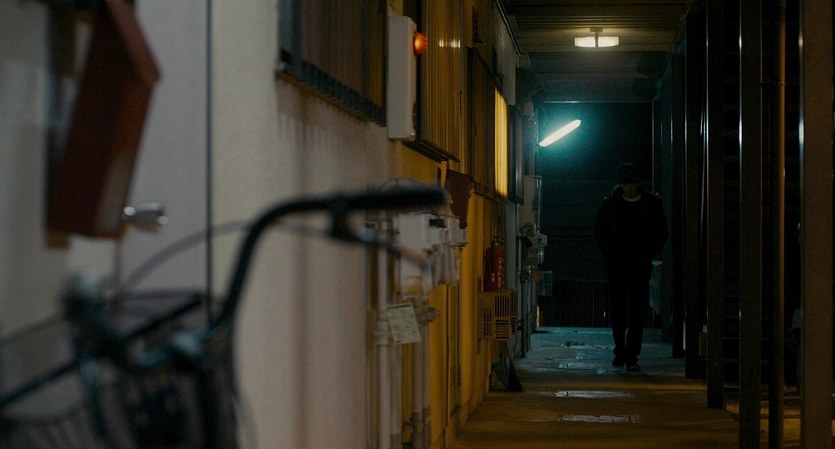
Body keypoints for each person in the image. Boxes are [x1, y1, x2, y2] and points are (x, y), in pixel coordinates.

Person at [593, 162, 668, 371]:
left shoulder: (612, 204)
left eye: (631, 183)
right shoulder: (649, 204)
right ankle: (626, 352)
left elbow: (600, 231)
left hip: (629, 263)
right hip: (627, 262)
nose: (629, 187)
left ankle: (626, 353)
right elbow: (660, 231)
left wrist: (610, 250)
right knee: (627, 309)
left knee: (631, 309)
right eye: (626, 184)